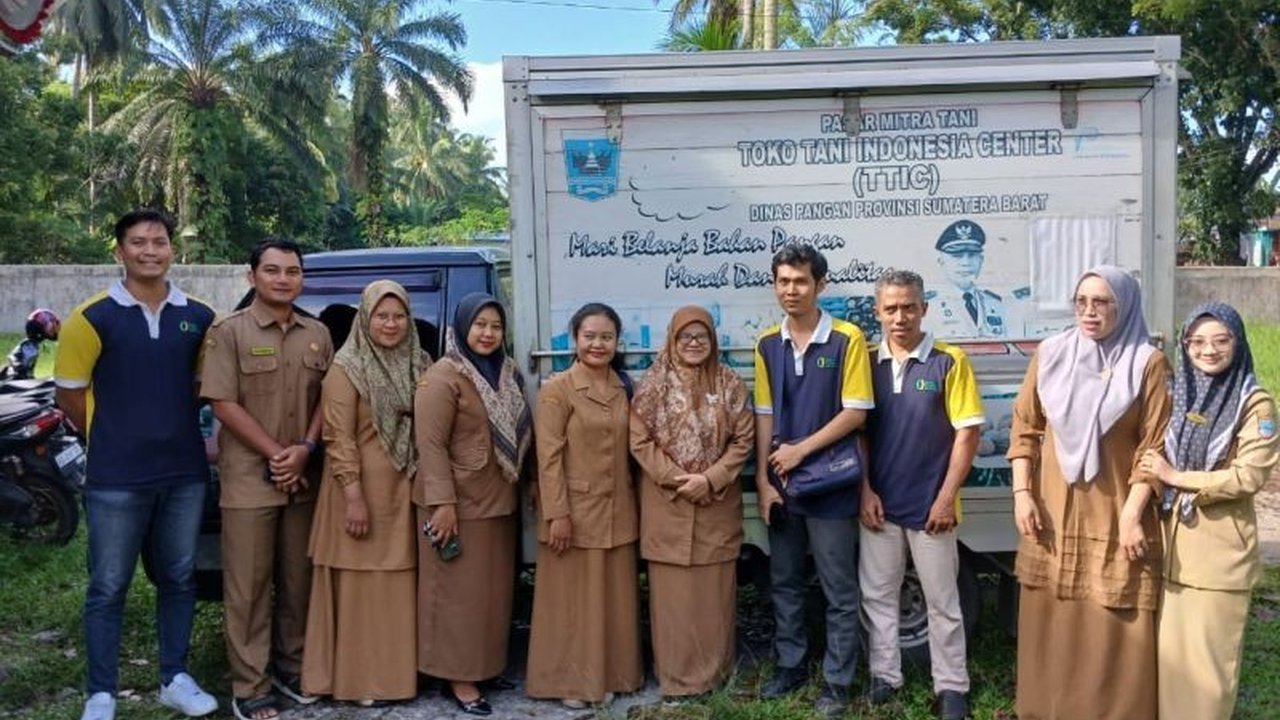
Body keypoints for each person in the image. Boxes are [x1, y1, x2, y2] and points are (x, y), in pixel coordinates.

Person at [54, 209, 219, 720]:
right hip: (116, 477)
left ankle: (175, 677)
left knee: (178, 577)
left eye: (160, 241)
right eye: (139, 242)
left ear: (173, 250)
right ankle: (100, 693)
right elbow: (70, 398)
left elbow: (200, 389)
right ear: (120, 250)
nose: (151, 251)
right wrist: (115, 438)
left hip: (184, 473)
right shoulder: (92, 316)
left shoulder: (199, 316)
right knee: (108, 585)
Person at [1007, 265, 1170, 720]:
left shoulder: (1147, 364)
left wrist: (1134, 514)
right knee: (1053, 622)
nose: (1090, 312)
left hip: (1117, 514)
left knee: (1113, 623)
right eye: (1082, 302)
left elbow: (1152, 448)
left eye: (1102, 302)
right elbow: (1025, 427)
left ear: (1125, 305)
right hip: (1051, 514)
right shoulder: (1052, 354)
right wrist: (1022, 494)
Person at [199, 238, 333, 720]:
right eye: (272, 270)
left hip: (303, 479)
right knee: (249, 587)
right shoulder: (228, 332)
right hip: (251, 480)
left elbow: (328, 401)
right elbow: (222, 402)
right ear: (251, 276)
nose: (283, 279)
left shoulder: (317, 333)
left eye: (292, 271)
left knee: (298, 581)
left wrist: (307, 450)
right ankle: (250, 685)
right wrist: (280, 454)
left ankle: (292, 668)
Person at [1138, 303, 1279, 720]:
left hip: (1218, 562)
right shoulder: (1181, 394)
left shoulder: (1255, 404)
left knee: (1207, 681)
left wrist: (1177, 476)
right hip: (1173, 558)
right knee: (1171, 673)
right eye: (1197, 341)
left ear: (1238, 342)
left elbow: (1248, 476)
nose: (1209, 350)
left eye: (1221, 340)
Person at [753, 244, 874, 718]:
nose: (791, 290)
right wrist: (764, 481)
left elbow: (858, 410)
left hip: (832, 484)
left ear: (820, 285)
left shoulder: (847, 338)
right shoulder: (767, 344)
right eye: (783, 281)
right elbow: (764, 414)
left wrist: (801, 449)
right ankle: (791, 664)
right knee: (784, 580)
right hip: (783, 485)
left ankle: (839, 681)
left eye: (800, 281)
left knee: (838, 587)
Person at [859, 270, 984, 720]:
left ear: (924, 308)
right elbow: (859, 434)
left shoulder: (949, 360)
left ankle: (951, 688)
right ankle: (885, 677)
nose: (900, 316)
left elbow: (967, 434)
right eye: (890, 308)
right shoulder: (866, 363)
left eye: (909, 306)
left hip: (933, 506)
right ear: (878, 312)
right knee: (878, 596)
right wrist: (865, 491)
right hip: (881, 505)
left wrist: (947, 497)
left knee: (942, 602)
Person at [301, 280, 429, 706]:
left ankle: (396, 678)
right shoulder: (346, 368)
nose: (391, 324)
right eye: (381, 316)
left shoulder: (419, 362)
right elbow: (338, 439)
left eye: (398, 316)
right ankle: (358, 682)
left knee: (395, 585)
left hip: (402, 487)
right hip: (357, 490)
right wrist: (354, 496)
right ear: (365, 318)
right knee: (359, 588)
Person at [415, 293, 532, 716]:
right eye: (479, 325)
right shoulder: (444, 376)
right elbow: (429, 445)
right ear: (462, 328)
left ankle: (483, 667)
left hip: (499, 501)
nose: (487, 333)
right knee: (458, 597)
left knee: (493, 596)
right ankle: (459, 679)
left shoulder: (507, 371)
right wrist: (442, 504)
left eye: (495, 326)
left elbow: (523, 433)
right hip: (459, 506)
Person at [630, 305, 754, 701]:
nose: (694, 343)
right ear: (672, 339)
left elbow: (743, 440)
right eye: (686, 336)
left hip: (714, 505)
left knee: (714, 600)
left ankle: (715, 677)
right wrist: (678, 480)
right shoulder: (651, 385)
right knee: (673, 604)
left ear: (713, 341)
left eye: (702, 336)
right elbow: (639, 441)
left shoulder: (731, 383)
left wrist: (710, 479)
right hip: (669, 504)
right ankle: (677, 681)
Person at [526, 302, 643, 709]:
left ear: (617, 342)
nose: (598, 344)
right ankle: (573, 684)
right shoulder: (557, 389)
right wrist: (557, 513)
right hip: (574, 513)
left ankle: (615, 675)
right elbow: (549, 457)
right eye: (590, 336)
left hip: (618, 508)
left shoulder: (622, 386)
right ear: (574, 339)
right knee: (574, 603)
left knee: (612, 599)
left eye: (606, 337)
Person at [927, 219, 1008, 338]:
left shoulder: (995, 304)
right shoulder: (929, 307)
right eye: (957, 256)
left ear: (981, 260)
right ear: (941, 262)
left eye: (972, 255)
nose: (966, 263)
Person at [6, 308, 60, 379]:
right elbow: (13, 358)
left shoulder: (32, 344)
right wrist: (18, 366)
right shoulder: (29, 344)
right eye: (52, 326)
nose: (54, 329)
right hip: (18, 384)